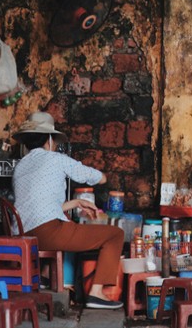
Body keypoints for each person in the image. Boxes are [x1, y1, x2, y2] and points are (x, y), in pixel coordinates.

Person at [12, 111, 123, 310]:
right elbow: (97, 177)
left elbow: (36, 205)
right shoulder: (56, 159)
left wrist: (73, 203)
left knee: (65, 223)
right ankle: (96, 293)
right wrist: (105, 177)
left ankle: (45, 277)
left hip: (22, 234)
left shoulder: (20, 166)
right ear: (49, 139)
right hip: (47, 234)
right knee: (115, 235)